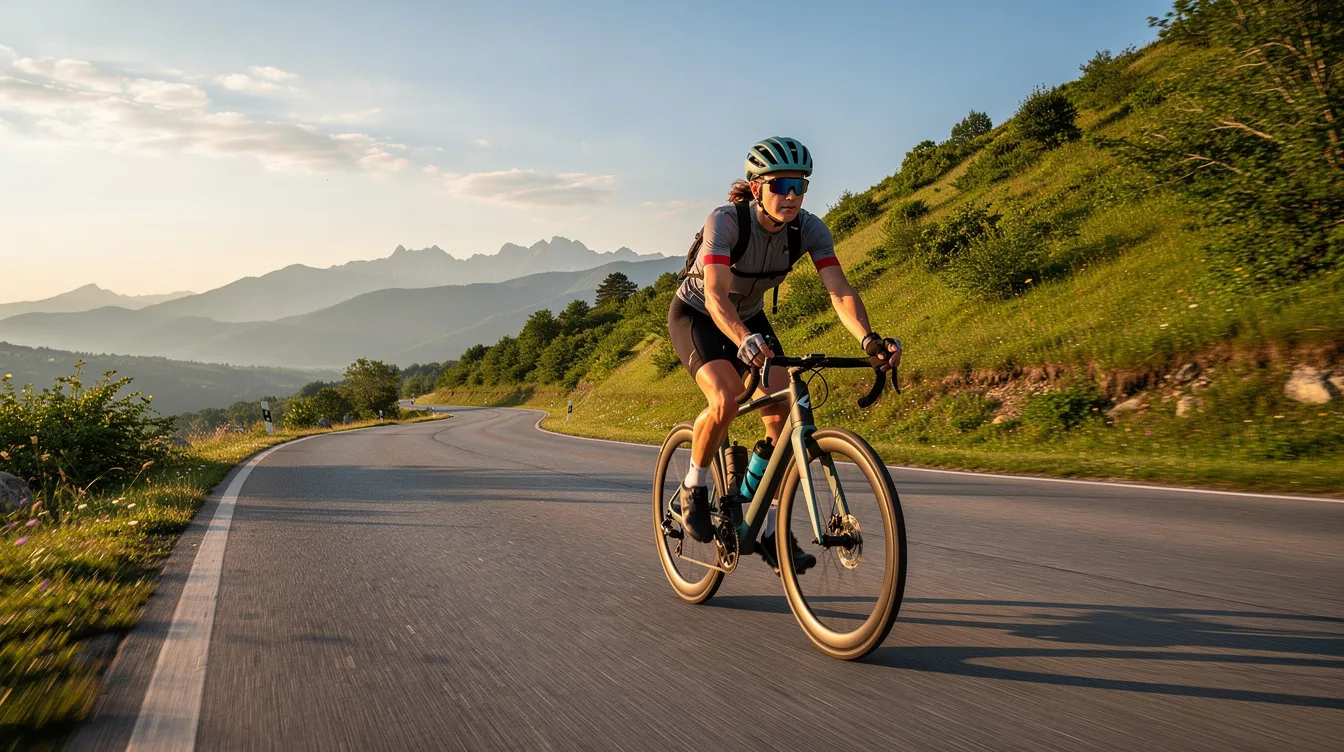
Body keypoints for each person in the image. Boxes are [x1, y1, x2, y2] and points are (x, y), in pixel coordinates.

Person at [667, 136, 902, 575]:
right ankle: (693, 486)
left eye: (800, 185)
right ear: (757, 188)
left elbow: (839, 291)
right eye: (781, 185)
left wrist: (869, 340)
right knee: (726, 397)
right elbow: (716, 296)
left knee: (782, 412)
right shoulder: (725, 221)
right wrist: (743, 338)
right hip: (698, 315)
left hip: (749, 318)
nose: (791, 195)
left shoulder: (809, 230)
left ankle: (769, 530)